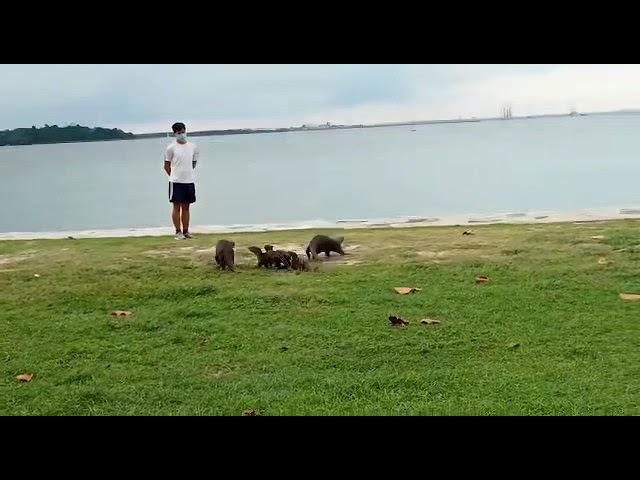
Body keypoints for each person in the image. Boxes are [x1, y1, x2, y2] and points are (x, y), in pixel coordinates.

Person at [164, 122, 199, 239]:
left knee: (186, 207)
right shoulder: (171, 148)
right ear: (175, 134)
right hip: (176, 182)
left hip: (189, 181)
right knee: (176, 207)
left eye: (183, 132)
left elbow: (193, 163)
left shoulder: (193, 147)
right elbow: (166, 165)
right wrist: (173, 176)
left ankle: (186, 231)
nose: (182, 134)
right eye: (179, 133)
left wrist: (187, 173)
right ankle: (178, 232)